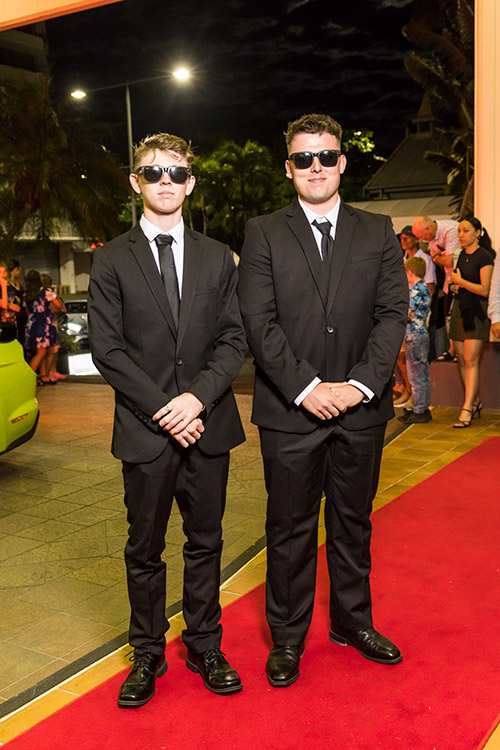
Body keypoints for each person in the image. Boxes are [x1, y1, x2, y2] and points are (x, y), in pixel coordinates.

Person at [237, 113, 408, 688]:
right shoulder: (262, 232)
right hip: (290, 412)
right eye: (304, 158)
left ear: (342, 163)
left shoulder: (378, 231)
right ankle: (287, 638)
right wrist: (309, 388)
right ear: (289, 168)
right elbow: (259, 323)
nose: (316, 167)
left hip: (362, 408)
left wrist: (360, 384)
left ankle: (351, 622)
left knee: (353, 522)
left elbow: (392, 315)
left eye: (326, 156)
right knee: (288, 528)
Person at [88, 132, 247, 708]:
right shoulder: (110, 259)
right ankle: (147, 651)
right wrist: (163, 409)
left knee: (206, 543)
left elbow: (234, 339)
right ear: (136, 182)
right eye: (153, 173)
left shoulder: (217, 255)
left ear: (190, 183)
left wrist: (194, 401)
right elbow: (107, 349)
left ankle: (205, 644)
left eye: (176, 173)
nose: (165, 183)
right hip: (145, 431)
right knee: (144, 548)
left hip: (208, 427)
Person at [449, 217, 494, 428]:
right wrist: (454, 286)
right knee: (460, 358)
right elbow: (457, 282)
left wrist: (461, 283)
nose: (461, 234)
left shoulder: (485, 256)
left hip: (477, 313)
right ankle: (474, 402)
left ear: (478, 232)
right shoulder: (461, 256)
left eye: (465, 230)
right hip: (460, 310)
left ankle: (466, 408)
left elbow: (485, 289)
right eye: (459, 231)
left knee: (470, 360)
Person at [412, 215, 461, 361]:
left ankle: (456, 350)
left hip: (461, 281)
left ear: (428, 228)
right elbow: (440, 261)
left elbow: (450, 261)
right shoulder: (431, 239)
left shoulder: (450, 229)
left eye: (421, 236)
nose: (421, 240)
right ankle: (452, 349)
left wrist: (439, 257)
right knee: (448, 317)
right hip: (448, 283)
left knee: (455, 317)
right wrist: (440, 258)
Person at [398, 257, 432, 424]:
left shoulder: (417, 291)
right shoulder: (423, 289)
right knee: (420, 374)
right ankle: (420, 406)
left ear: (409, 272)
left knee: (416, 375)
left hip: (414, 335)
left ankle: (420, 409)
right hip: (419, 335)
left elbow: (406, 311)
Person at [23, 269, 62, 385]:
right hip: (44, 325)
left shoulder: (27, 293)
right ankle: (26, 378)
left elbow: (27, 311)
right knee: (41, 353)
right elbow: (58, 305)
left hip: (32, 325)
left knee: (42, 351)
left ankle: (44, 376)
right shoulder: (44, 291)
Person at [6, 259, 27, 343]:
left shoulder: (16, 283)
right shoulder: (8, 285)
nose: (20, 272)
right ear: (16, 269)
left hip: (20, 315)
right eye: (19, 270)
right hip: (13, 316)